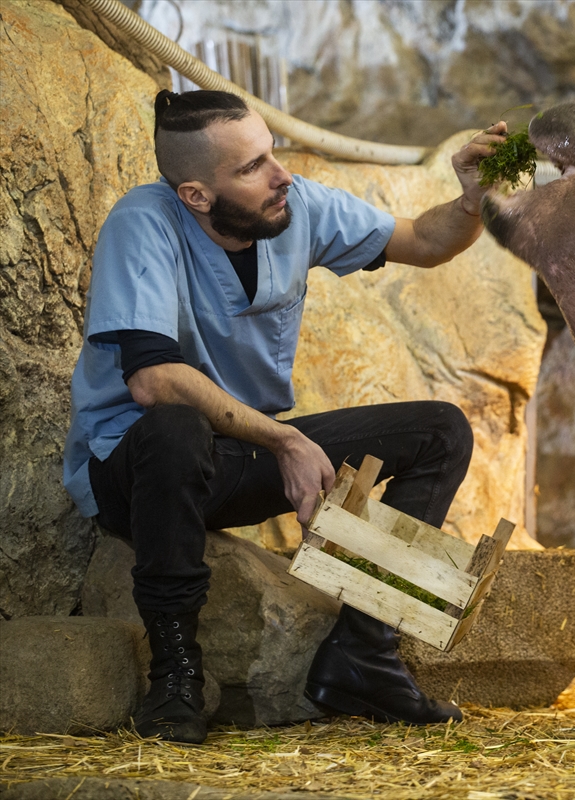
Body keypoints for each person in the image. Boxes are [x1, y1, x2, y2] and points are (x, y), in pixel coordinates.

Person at [62, 89, 508, 744]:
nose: (282, 176)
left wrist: (471, 199)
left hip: (237, 460)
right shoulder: (143, 223)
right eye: (251, 168)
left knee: (441, 429)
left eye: (271, 153)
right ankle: (177, 673)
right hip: (135, 474)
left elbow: (426, 240)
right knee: (175, 427)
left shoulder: (296, 209)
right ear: (196, 196)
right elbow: (155, 381)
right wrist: (285, 440)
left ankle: (363, 654)